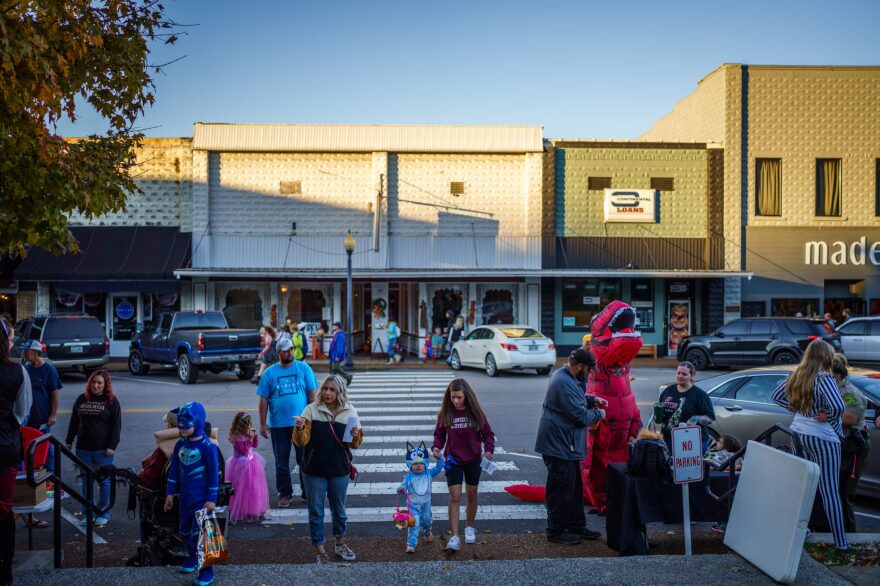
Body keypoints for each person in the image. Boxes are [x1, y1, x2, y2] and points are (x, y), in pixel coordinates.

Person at [771, 339, 848, 554]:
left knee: (803, 488)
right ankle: (841, 543)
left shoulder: (796, 374)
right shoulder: (824, 377)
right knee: (830, 492)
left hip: (798, 434)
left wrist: (796, 408)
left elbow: (775, 396)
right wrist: (829, 415)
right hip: (823, 437)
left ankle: (799, 532)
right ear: (826, 356)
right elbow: (839, 406)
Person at [535, 349, 606, 545]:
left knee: (573, 489)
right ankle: (556, 531)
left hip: (567, 444)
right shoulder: (563, 381)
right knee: (560, 490)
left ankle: (576, 525)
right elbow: (581, 416)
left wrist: (591, 400)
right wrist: (599, 413)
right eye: (589, 369)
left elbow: (578, 397)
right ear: (580, 366)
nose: (590, 373)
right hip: (558, 444)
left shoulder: (568, 376)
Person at [292, 374, 363, 564]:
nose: (327, 393)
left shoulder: (350, 412)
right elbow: (301, 441)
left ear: (339, 391)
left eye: (332, 389)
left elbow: (353, 444)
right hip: (313, 469)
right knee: (315, 511)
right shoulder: (311, 410)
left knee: (339, 510)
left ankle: (340, 544)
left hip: (339, 469)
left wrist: (356, 435)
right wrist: (299, 428)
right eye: (325, 389)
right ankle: (320, 549)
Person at [431, 378, 495, 552]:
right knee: (455, 496)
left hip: (474, 459)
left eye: (459, 397)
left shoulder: (476, 413)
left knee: (472, 494)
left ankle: (469, 527)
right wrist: (436, 447)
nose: (456, 401)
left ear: (467, 396)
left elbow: (488, 434)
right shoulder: (446, 413)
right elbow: (439, 435)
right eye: (453, 397)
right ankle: (454, 536)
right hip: (453, 460)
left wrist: (489, 450)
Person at [258, 337, 318, 508]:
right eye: (285, 350)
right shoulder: (269, 373)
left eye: (291, 349)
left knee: (304, 459)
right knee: (281, 462)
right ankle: (285, 493)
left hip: (301, 423)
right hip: (278, 425)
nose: (289, 353)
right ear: (278, 353)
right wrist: (262, 424)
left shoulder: (304, 368)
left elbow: (312, 395)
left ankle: (307, 492)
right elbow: (263, 400)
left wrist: (312, 420)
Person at [164, 402, 220, 586]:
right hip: (185, 499)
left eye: (185, 425)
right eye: (179, 425)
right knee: (185, 532)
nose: (181, 429)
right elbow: (174, 470)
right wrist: (170, 494)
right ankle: (193, 557)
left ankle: (207, 571)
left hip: (202, 501)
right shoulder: (180, 443)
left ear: (197, 422)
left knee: (203, 536)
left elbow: (214, 475)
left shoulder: (208, 447)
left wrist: (211, 499)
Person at [64, 370, 122, 528]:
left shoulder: (111, 401)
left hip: (103, 451)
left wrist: (112, 446)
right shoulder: (82, 399)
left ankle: (103, 513)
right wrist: (69, 441)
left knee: (105, 482)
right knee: (86, 483)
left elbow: (116, 427)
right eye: (93, 382)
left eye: (99, 383)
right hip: (83, 449)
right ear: (89, 383)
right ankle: (87, 514)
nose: (96, 385)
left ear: (105, 385)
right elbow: (74, 422)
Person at [1, 318, 33, 585]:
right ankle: (5, 571)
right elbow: (22, 412)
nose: (13, 342)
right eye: (10, 337)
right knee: (3, 508)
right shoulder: (18, 372)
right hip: (5, 446)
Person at [829, 353, 870, 533]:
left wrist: (825, 416)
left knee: (844, 495)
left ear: (836, 373)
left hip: (853, 445)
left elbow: (849, 420)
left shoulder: (850, 393)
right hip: (841, 443)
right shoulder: (834, 388)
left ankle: (849, 537)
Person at [22, 340, 62, 474]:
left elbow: (55, 393)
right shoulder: (26, 367)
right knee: (28, 446)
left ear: (34, 352)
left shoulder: (49, 370)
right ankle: (33, 474)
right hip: (27, 416)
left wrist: (53, 414)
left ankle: (51, 476)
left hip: (42, 416)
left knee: (46, 447)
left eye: (26, 350)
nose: (24, 353)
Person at [397, 442, 444, 553]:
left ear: (425, 464)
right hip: (412, 506)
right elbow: (403, 485)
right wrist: (401, 488)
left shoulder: (428, 473)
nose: (418, 466)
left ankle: (427, 532)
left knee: (427, 521)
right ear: (410, 465)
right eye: (415, 464)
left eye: (421, 463)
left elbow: (438, 468)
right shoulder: (408, 477)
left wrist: (440, 459)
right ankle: (411, 544)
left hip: (425, 504)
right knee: (414, 523)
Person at [657, 361, 716, 452]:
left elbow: (710, 418)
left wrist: (696, 418)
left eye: (684, 374)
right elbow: (659, 410)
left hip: (691, 442)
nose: (680, 376)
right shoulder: (668, 390)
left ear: (691, 376)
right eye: (678, 373)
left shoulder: (699, 395)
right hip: (669, 440)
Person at [225, 411, 268, 523]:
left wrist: (255, 437)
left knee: (252, 488)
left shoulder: (247, 433)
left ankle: (252, 509)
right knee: (241, 489)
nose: (250, 426)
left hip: (252, 463)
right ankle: (241, 510)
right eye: (249, 424)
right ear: (244, 425)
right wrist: (250, 439)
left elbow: (255, 445)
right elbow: (244, 451)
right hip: (240, 466)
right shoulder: (235, 436)